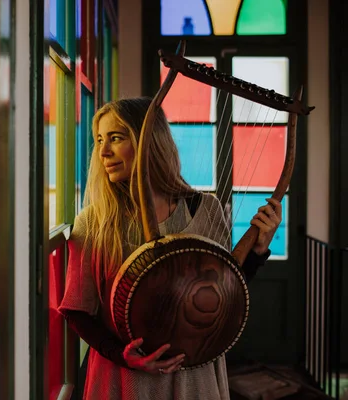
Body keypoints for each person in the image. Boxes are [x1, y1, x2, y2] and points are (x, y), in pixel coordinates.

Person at [58, 97, 282, 400]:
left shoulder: (204, 209)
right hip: (123, 380)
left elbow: (224, 295)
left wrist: (257, 251)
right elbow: (77, 310)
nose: (103, 152)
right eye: (99, 140)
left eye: (116, 138)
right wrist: (124, 356)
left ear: (149, 141)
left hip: (194, 377)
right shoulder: (95, 221)